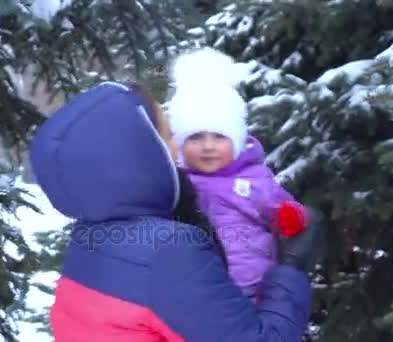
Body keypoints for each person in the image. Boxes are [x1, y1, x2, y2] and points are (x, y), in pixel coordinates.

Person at [29, 80, 322, 341]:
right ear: (140, 151)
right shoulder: (171, 249)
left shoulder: (88, 235)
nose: (177, 149)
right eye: (169, 136)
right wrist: (290, 269)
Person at [166, 47, 312, 301]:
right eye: (196, 137)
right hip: (201, 293)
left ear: (236, 140)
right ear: (180, 141)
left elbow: (281, 206)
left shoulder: (255, 177)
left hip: (255, 289)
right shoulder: (178, 182)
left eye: (220, 136)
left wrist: (291, 215)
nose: (208, 146)